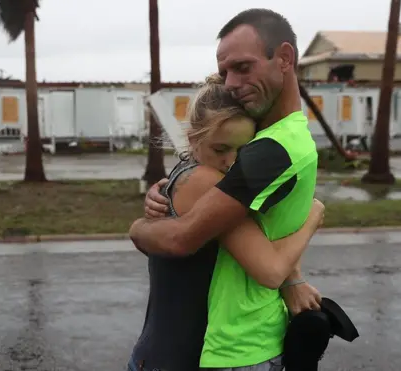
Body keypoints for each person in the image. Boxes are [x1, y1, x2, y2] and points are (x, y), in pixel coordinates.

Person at [129, 8, 320, 371]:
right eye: (225, 71)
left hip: (169, 351)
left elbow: (257, 239)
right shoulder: (207, 178)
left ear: (284, 58)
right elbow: (265, 265)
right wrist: (315, 214)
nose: (233, 162)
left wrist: (294, 278)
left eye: (243, 67)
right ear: (195, 139)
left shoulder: (238, 159)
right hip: (177, 355)